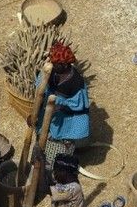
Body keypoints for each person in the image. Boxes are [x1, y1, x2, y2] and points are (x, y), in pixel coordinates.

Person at [29, 42, 91, 171]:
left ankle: (55, 172)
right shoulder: (50, 72)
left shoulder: (75, 81)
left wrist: (61, 105)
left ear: (64, 65)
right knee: (40, 143)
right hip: (47, 116)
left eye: (55, 63)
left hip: (65, 121)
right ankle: (37, 167)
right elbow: (40, 91)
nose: (52, 65)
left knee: (57, 153)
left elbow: (78, 105)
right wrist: (34, 114)